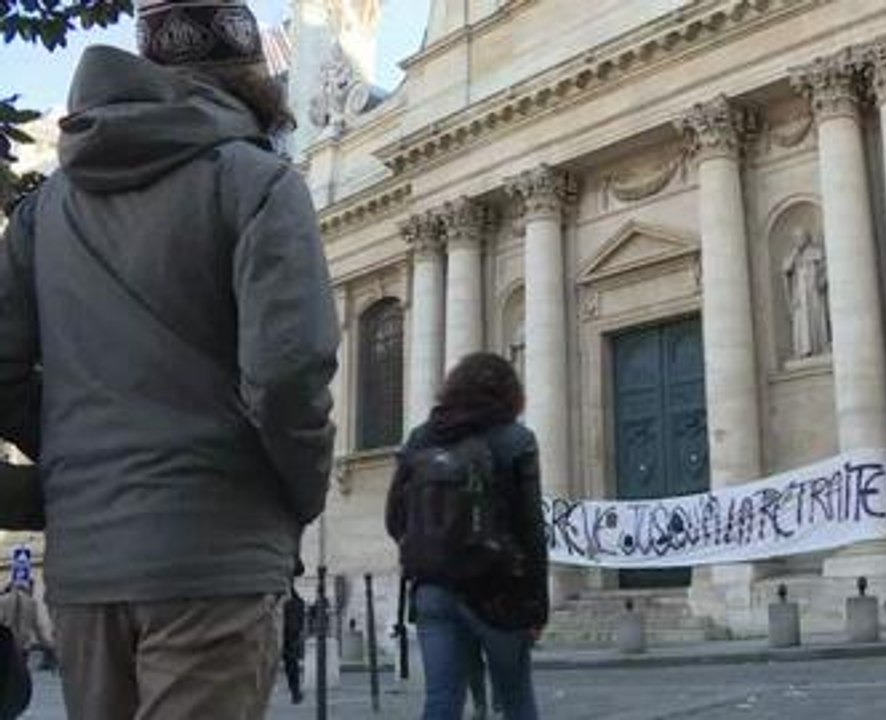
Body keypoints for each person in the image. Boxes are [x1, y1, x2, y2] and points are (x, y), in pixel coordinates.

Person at [0, 0, 340, 716]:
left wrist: (77, 456)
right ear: (254, 76)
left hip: (87, 570)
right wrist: (300, 491)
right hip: (215, 553)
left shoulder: (42, 212)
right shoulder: (258, 183)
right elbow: (288, 374)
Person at [386, 353, 548, 720]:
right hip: (500, 592)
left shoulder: (420, 438)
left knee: (441, 702)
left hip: (433, 591)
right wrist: (537, 607)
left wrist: (430, 552)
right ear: (510, 394)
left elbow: (395, 518)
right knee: (516, 699)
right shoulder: (516, 439)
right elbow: (532, 529)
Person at [283, 560, 308, 705]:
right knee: (289, 655)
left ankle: (295, 692)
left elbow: (299, 569)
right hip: (282, 604)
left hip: (284, 605)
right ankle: (295, 692)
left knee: (289, 654)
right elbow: (299, 569)